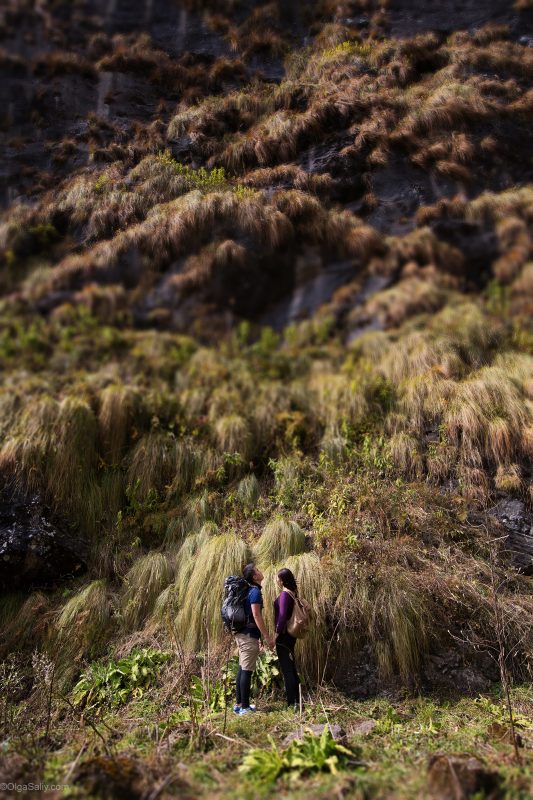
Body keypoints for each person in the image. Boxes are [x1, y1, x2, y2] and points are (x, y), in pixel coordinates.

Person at [234, 563, 275, 715]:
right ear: (254, 576)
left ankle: (239, 704)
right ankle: (244, 707)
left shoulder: (248, 591)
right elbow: (256, 615)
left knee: (242, 668)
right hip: (248, 635)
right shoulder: (255, 591)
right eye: (257, 570)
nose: (260, 570)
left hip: (242, 634)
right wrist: (266, 636)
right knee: (246, 670)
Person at [274, 567, 301, 710]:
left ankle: (292, 703)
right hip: (290, 637)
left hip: (284, 636)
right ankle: (297, 700)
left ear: (282, 580)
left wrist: (276, 634)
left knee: (287, 669)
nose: (276, 580)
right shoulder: (293, 593)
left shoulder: (285, 595)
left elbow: (282, 615)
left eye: (278, 577)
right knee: (291, 667)